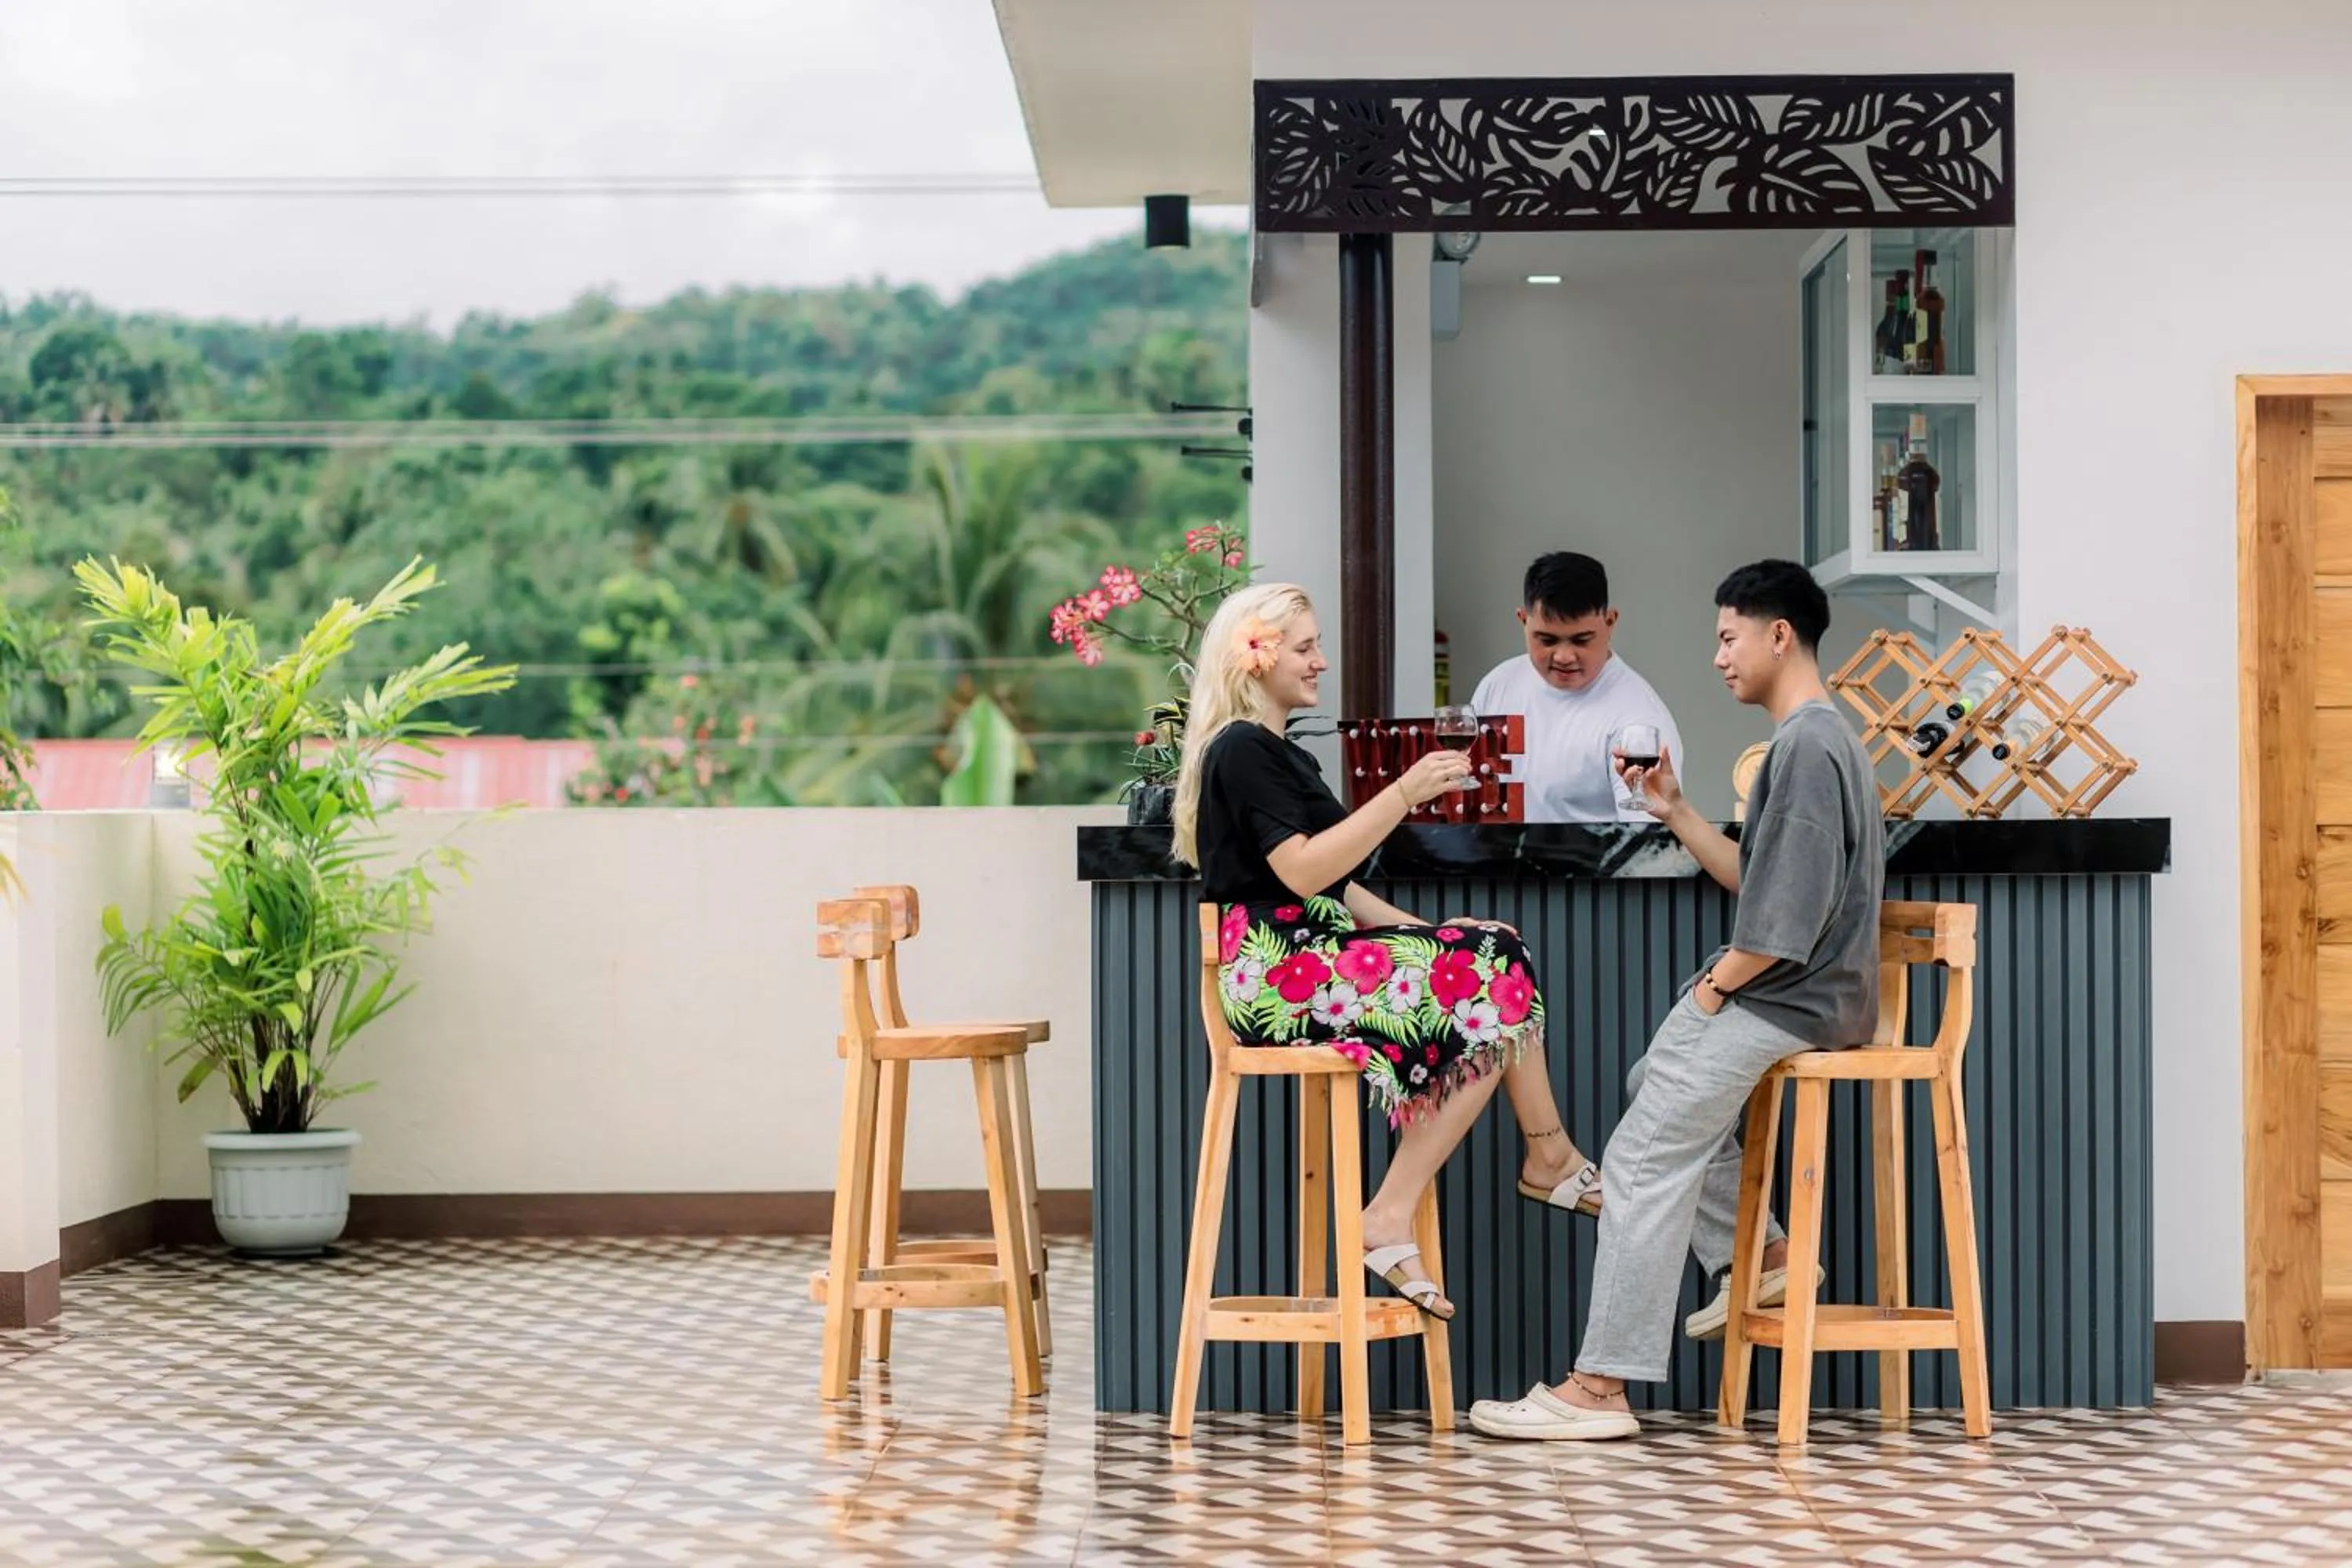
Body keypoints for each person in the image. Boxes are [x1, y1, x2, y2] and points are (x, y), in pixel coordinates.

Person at [1469, 560, 1885, 1440]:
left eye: (1729, 637)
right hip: (1808, 995)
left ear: (1780, 635)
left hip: (1786, 997)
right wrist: (1676, 809)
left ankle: (1599, 1387)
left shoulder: (1806, 746)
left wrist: (1713, 985)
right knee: (1647, 1082)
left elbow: (1782, 924)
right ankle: (1767, 1255)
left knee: (1639, 1160)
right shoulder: (1818, 737)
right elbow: (1760, 876)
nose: (1718, 658)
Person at [1172, 581, 1603, 1320]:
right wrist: (1404, 791)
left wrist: (1434, 938)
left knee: (1494, 952)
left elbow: (1337, 889)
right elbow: (1303, 871)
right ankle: (1442, 1195)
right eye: (1306, 648)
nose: (1321, 662)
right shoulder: (1241, 749)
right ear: (1256, 657)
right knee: (1491, 971)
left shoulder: (1283, 757)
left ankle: (1543, 1159)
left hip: (1317, 957)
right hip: (1277, 976)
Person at [1470, 552, 1682, 824]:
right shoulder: (1497, 685)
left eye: (1581, 640)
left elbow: (1643, 849)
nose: (1564, 657)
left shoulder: (1640, 723)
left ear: (1610, 622)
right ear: (1523, 620)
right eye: (1547, 640)